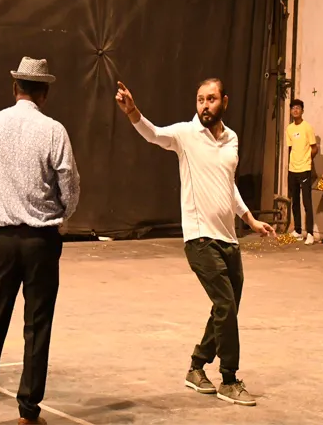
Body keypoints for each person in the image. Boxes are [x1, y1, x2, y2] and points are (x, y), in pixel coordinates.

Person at [115, 78, 275, 407]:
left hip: (229, 238)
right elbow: (153, 133)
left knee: (226, 308)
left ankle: (197, 366)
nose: (204, 105)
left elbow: (228, 185)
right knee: (226, 305)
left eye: (211, 99)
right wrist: (132, 112)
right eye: (200, 99)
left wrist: (250, 219)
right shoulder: (185, 135)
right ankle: (229, 379)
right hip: (201, 239)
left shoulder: (231, 139)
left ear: (224, 102)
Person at [0, 57, 80, 425]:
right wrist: (63, 216)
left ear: (14, 88)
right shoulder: (54, 130)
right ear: (44, 93)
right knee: (37, 326)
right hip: (42, 241)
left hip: (4, 241)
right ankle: (28, 413)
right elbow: (70, 184)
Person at [286, 98, 318, 244]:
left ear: (302, 110)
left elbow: (314, 148)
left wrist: (307, 159)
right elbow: (291, 148)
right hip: (292, 169)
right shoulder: (289, 129)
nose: (295, 110)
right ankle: (298, 230)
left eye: (298, 108)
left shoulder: (307, 127)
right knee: (295, 201)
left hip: (305, 168)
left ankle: (310, 233)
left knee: (306, 202)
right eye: (293, 108)